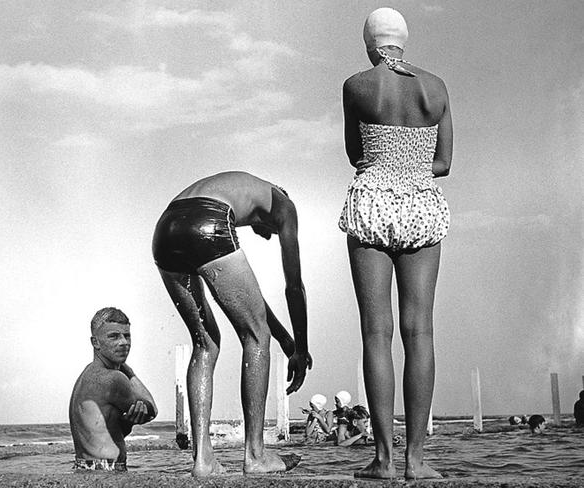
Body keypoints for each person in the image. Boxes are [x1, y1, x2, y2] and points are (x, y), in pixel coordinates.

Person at [338, 7, 452, 480]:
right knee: (419, 331)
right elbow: (444, 161)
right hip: (422, 202)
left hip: (374, 198)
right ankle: (417, 462)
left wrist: (384, 161)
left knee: (376, 332)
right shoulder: (436, 87)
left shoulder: (357, 86)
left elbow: (354, 153)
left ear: (371, 42)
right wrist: (412, 165)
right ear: (403, 41)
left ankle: (383, 459)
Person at [152, 171, 312, 477]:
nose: (268, 233)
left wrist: (285, 339)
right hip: (207, 221)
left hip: (166, 229)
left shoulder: (236, 189)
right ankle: (256, 455)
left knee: (205, 343)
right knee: (255, 339)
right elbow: (295, 286)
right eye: (271, 231)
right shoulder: (284, 204)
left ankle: (203, 460)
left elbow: (244, 297)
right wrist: (301, 351)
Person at [69, 307, 158, 472]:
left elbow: (103, 432)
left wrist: (128, 422)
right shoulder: (114, 378)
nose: (124, 342)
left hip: (85, 468)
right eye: (114, 336)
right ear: (95, 342)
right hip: (107, 471)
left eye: (127, 336)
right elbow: (152, 409)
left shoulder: (86, 375)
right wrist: (129, 372)